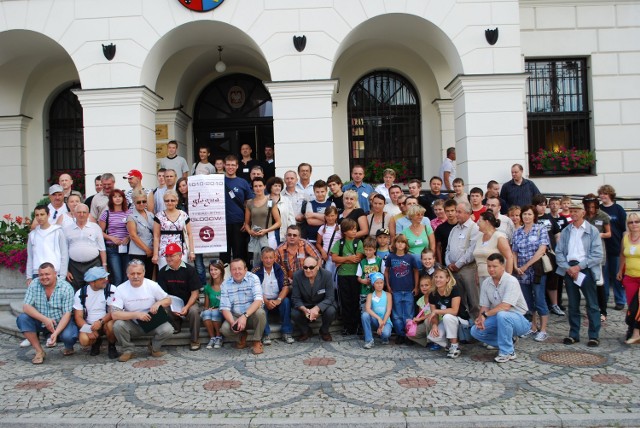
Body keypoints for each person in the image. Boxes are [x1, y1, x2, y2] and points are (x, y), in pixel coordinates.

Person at [555, 202, 603, 347]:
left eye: (577, 211)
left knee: (592, 304)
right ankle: (573, 334)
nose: (574, 214)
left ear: (583, 213)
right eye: (572, 211)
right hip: (569, 269)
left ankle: (594, 335)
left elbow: (597, 255)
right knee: (573, 304)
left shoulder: (592, 230)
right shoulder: (566, 231)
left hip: (585, 268)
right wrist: (568, 268)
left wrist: (579, 267)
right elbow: (559, 252)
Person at [471, 253, 530, 363]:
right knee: (475, 331)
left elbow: (505, 306)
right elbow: (484, 306)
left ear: (502, 266)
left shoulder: (511, 281)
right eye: (489, 266)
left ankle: (507, 352)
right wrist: (480, 319)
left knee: (503, 314)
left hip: (519, 319)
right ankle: (508, 341)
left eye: (494, 266)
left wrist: (485, 315)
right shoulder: (486, 283)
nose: (491, 269)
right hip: (499, 317)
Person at [111, 259, 173, 362]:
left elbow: (168, 300)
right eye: (132, 273)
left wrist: (158, 303)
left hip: (152, 322)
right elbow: (115, 314)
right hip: (133, 324)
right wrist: (136, 315)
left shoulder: (152, 285)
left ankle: (154, 347)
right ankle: (127, 350)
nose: (136, 276)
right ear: (127, 274)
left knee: (168, 329)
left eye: (139, 273)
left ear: (143, 273)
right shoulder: (121, 289)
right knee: (118, 325)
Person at [16, 263, 78, 364]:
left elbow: (67, 313)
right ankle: (39, 351)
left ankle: (68, 346)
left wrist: (56, 333)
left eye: (47, 274)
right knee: (22, 319)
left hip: (60, 320)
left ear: (55, 273)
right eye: (41, 275)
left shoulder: (66, 287)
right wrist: (45, 319)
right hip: (41, 320)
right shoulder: (34, 284)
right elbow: (26, 307)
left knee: (69, 336)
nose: (44, 277)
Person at [511, 205, 551, 342]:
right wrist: (516, 266)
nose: (526, 217)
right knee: (528, 301)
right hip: (521, 272)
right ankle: (532, 326)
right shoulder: (517, 232)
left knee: (539, 299)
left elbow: (541, 250)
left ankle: (543, 329)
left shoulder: (540, 229)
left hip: (537, 270)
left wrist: (526, 265)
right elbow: (514, 251)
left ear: (534, 216)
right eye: (524, 214)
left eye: (529, 214)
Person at [157, 243, 202, 351]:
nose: (168, 258)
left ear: (180, 255)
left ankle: (195, 339)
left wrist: (186, 307)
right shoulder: (162, 272)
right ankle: (176, 325)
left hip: (189, 301)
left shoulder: (190, 270)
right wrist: (172, 307)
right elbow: (162, 295)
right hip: (171, 302)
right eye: (167, 256)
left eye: (171, 255)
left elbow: (195, 293)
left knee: (194, 311)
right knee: (163, 308)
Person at [219, 259, 267, 355]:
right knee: (225, 329)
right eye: (234, 269)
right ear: (230, 271)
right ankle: (241, 336)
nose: (237, 272)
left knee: (261, 313)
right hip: (235, 315)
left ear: (245, 269)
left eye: (240, 269)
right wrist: (233, 323)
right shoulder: (225, 284)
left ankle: (256, 341)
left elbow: (258, 300)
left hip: (251, 315)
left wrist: (244, 316)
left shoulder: (253, 278)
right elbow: (225, 308)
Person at [445, 200, 480, 319]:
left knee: (474, 299)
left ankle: (478, 325)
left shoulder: (474, 228)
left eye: (459, 212)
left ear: (467, 213)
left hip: (468, 269)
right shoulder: (454, 229)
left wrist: (458, 264)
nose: (456, 214)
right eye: (456, 211)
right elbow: (447, 249)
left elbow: (472, 250)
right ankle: (465, 327)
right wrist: (448, 263)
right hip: (453, 271)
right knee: (460, 300)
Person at [73, 266, 119, 359]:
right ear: (92, 282)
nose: (105, 280)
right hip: (90, 324)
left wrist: (100, 322)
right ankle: (96, 342)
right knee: (84, 340)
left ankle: (111, 346)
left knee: (111, 326)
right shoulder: (80, 293)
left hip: (105, 322)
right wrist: (88, 329)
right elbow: (78, 317)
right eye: (101, 279)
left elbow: (113, 312)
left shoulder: (111, 289)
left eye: (105, 278)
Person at [426, 265, 470, 358]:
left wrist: (436, 311)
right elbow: (434, 315)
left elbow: (454, 311)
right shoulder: (432, 294)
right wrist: (434, 325)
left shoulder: (454, 289)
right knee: (433, 336)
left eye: (441, 277)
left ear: (447, 279)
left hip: (461, 320)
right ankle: (449, 345)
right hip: (448, 321)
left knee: (447, 317)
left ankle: (455, 346)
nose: (438, 279)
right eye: (436, 277)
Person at [252, 247, 293, 344]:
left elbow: (285, 287)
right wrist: (265, 301)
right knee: (260, 306)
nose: (268, 260)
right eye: (266, 258)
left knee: (286, 301)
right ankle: (265, 334)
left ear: (275, 258)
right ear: (261, 258)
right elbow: (253, 289)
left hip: (276, 299)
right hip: (262, 299)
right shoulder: (255, 270)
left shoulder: (280, 269)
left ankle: (286, 332)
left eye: (271, 257)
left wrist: (278, 300)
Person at [331, 218, 365, 335]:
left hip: (355, 276)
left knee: (356, 300)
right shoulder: (339, 243)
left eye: (355, 229)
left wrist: (342, 260)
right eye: (351, 229)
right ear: (345, 231)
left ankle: (357, 325)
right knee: (345, 301)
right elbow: (334, 258)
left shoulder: (358, 242)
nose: (354, 231)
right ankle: (347, 326)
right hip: (342, 275)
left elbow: (358, 258)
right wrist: (348, 258)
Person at [532, 194, 564, 316]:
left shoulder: (550, 218)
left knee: (553, 281)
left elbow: (557, 234)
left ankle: (554, 304)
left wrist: (558, 251)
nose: (543, 207)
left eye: (545, 204)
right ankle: (540, 306)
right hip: (536, 255)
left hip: (550, 254)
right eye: (540, 205)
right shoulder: (532, 218)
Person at [290, 256, 337, 341]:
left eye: (311, 267)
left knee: (331, 310)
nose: (308, 270)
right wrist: (304, 309)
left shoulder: (327, 275)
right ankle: (306, 331)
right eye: (305, 267)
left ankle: (324, 331)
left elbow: (330, 297)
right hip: (305, 304)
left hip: (321, 303)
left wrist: (317, 308)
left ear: (317, 267)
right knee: (294, 313)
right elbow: (295, 298)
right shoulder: (297, 275)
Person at [384, 234, 420, 344]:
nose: (400, 244)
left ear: (406, 245)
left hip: (409, 290)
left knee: (408, 314)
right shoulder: (391, 257)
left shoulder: (410, 257)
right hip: (395, 290)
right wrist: (388, 285)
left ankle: (408, 335)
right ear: (395, 244)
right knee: (397, 315)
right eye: (398, 242)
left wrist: (416, 286)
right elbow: (386, 271)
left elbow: (416, 271)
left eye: (402, 242)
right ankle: (400, 334)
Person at [64, 204, 107, 291]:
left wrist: (104, 265)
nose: (81, 214)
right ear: (74, 214)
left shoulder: (95, 227)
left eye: (84, 212)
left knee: (94, 291)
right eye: (79, 212)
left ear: (88, 214)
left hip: (93, 264)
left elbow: (102, 248)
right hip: (74, 267)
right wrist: (66, 270)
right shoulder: (67, 229)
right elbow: (64, 251)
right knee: (76, 292)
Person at [599, 184, 627, 311]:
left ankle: (620, 300)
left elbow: (624, 229)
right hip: (602, 248)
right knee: (603, 276)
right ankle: (603, 299)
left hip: (616, 246)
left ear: (610, 195)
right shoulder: (598, 210)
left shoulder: (618, 209)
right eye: (601, 193)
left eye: (605, 193)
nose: (602, 196)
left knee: (617, 275)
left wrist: (624, 245)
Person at [583, 193, 611, 321]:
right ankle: (590, 308)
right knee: (588, 283)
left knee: (599, 283)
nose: (590, 209)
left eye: (593, 207)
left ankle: (602, 311)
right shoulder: (584, 216)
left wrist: (598, 235)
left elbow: (609, 233)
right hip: (585, 253)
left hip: (598, 252)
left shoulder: (603, 216)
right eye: (588, 207)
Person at [222, 155, 253, 264]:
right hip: (221, 224)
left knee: (239, 254)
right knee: (224, 255)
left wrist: (247, 222)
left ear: (237, 166)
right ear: (224, 165)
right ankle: (224, 279)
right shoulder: (216, 181)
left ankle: (239, 279)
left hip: (239, 224)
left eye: (233, 165)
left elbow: (249, 204)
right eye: (228, 165)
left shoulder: (243, 182)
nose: (230, 167)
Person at [153, 189, 195, 270]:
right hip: (164, 250)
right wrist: (155, 254)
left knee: (182, 274)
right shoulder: (159, 216)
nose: (170, 202)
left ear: (176, 201)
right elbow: (156, 236)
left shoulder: (183, 215)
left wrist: (192, 251)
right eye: (167, 200)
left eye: (172, 200)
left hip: (180, 249)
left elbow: (190, 234)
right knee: (165, 273)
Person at [26, 205, 68, 284]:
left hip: (56, 272)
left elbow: (64, 255)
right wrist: (29, 277)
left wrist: (62, 276)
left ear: (48, 215)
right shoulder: (32, 235)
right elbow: (30, 256)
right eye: (37, 215)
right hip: (37, 273)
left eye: (42, 214)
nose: (39, 217)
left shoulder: (58, 232)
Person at [245, 177, 281, 267]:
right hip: (254, 238)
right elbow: (246, 223)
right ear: (252, 188)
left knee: (269, 262)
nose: (258, 188)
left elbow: (278, 222)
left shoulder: (270, 202)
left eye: (260, 186)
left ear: (264, 186)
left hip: (268, 237)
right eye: (255, 186)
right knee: (255, 264)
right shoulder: (249, 203)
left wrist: (266, 230)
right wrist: (250, 232)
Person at [98, 189, 130, 286]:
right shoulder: (106, 213)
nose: (117, 199)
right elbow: (99, 232)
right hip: (112, 249)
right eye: (115, 196)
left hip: (126, 248)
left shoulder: (129, 213)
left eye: (120, 196)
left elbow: (134, 230)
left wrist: (128, 237)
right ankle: (116, 299)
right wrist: (111, 238)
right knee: (117, 277)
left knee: (127, 276)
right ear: (111, 199)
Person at [617, 212, 640, 339]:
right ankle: (631, 327)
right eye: (631, 222)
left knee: (639, 306)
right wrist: (620, 270)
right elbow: (622, 255)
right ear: (628, 225)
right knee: (631, 305)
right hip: (630, 277)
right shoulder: (625, 237)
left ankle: (636, 331)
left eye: (637, 221)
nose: (634, 224)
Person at [473, 211, 512, 286]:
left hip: (497, 277)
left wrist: (507, 277)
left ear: (486, 222)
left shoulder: (499, 237)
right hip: (482, 277)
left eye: (480, 221)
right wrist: (478, 274)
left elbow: (509, 257)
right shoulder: (479, 237)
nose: (477, 223)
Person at [126, 190, 155, 279]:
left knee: (148, 277)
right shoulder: (131, 217)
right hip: (138, 252)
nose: (141, 204)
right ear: (134, 202)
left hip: (150, 251)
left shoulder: (151, 215)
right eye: (138, 202)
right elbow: (133, 236)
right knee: (137, 277)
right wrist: (147, 250)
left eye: (144, 201)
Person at [361, 272, 392, 348]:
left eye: (381, 282)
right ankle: (369, 340)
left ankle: (384, 337)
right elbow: (368, 309)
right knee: (364, 315)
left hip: (385, 321)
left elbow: (388, 310)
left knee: (386, 333)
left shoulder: (388, 295)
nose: (379, 285)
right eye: (377, 283)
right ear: (373, 284)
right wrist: (378, 319)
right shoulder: (370, 295)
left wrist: (382, 323)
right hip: (375, 320)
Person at [356, 236, 384, 312]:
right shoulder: (362, 262)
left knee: (377, 311)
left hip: (377, 292)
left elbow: (384, 275)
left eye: (370, 250)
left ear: (375, 250)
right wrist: (363, 281)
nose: (367, 252)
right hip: (364, 292)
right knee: (365, 312)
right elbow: (358, 277)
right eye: (366, 250)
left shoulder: (380, 261)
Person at [302, 179, 334, 244]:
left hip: (328, 238)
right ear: (314, 192)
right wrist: (328, 220)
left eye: (322, 192)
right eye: (317, 192)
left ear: (326, 191)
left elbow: (333, 220)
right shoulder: (310, 204)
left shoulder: (332, 204)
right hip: (312, 238)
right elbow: (310, 221)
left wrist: (314, 215)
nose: (320, 194)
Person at [202, 260, 224, 349]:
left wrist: (217, 308)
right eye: (211, 270)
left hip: (224, 311)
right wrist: (207, 309)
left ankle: (219, 337)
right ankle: (212, 338)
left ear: (221, 270)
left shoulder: (226, 284)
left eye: (216, 269)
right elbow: (206, 305)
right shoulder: (207, 287)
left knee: (215, 313)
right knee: (206, 313)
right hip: (213, 311)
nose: (213, 272)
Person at [266, 176, 294, 245]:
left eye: (279, 186)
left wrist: (291, 232)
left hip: (283, 232)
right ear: (270, 187)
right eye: (275, 186)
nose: (278, 188)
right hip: (268, 232)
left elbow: (291, 218)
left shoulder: (286, 200)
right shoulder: (265, 199)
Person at [406, 275, 433, 347]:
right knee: (410, 334)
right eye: (422, 286)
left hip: (436, 322)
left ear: (431, 286)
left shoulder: (434, 297)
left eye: (426, 285)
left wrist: (421, 318)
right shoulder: (420, 300)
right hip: (426, 323)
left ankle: (433, 341)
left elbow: (434, 313)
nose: (424, 287)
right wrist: (415, 320)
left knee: (428, 320)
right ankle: (428, 342)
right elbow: (421, 315)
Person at [316, 206, 341, 276]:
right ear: (325, 216)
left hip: (337, 257)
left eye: (332, 215)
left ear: (336, 216)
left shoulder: (340, 228)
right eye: (328, 216)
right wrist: (322, 251)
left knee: (336, 278)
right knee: (328, 276)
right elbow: (318, 243)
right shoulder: (322, 228)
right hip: (327, 257)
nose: (330, 218)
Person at [435, 199, 457, 264]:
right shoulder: (440, 228)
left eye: (452, 210)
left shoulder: (462, 226)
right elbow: (438, 247)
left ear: (456, 211)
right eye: (447, 211)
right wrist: (440, 263)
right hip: (446, 261)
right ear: (444, 211)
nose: (450, 213)